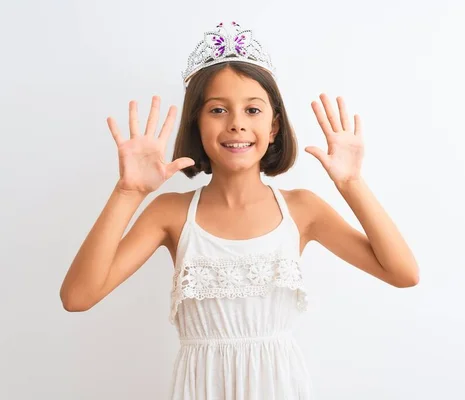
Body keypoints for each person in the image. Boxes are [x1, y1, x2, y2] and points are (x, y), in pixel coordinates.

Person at [59, 20, 420, 400]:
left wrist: (352, 185)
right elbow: (77, 297)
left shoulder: (302, 209)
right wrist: (127, 192)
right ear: (196, 123)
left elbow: (403, 273)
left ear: (274, 126)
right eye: (217, 110)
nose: (236, 124)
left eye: (252, 110)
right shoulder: (170, 214)